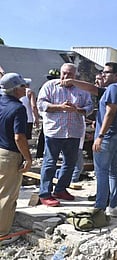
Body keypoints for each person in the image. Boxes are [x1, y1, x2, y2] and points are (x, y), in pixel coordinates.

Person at [37, 63, 93, 207]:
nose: (66, 77)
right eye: (64, 73)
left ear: (75, 76)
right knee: (50, 162)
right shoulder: (50, 86)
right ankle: (45, 193)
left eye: (70, 74)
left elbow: (90, 106)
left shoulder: (81, 89)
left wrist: (78, 110)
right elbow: (41, 104)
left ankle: (61, 189)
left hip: (73, 132)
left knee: (70, 163)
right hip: (54, 132)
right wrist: (60, 107)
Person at [93, 62, 117, 217]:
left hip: (109, 136)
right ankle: (113, 206)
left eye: (106, 72)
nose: (103, 75)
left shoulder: (113, 88)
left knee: (101, 171)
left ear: (116, 75)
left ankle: (100, 206)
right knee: (112, 171)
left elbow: (110, 112)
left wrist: (100, 135)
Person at [0, 73, 32, 243]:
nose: (26, 89)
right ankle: (2, 233)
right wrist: (28, 158)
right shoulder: (18, 108)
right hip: (9, 154)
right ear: (15, 89)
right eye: (23, 86)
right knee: (7, 195)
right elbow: (19, 137)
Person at [36, 69, 61, 159]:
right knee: (46, 135)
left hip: (53, 114)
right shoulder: (45, 88)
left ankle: (42, 153)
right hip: (48, 114)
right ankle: (42, 153)